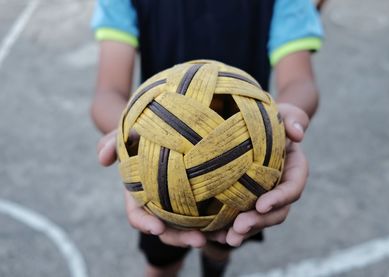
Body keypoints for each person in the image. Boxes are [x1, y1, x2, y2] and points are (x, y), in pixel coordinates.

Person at [90, 0, 323, 276]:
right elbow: (108, 93)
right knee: (161, 264)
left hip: (242, 172)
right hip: (162, 176)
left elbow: (299, 82)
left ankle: (215, 265)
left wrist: (282, 122)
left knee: (223, 244)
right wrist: (130, 134)